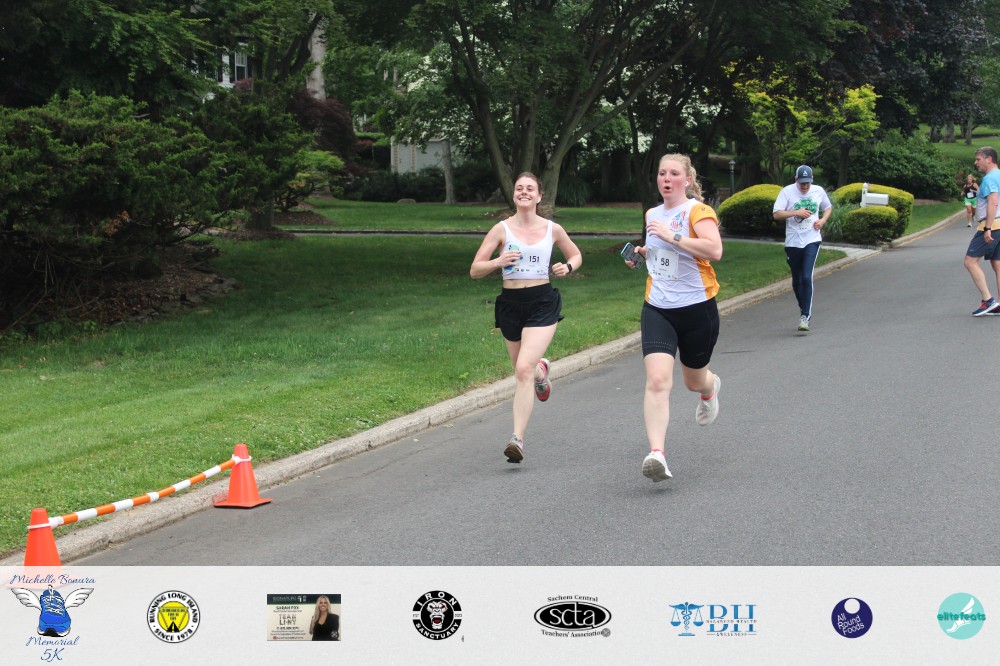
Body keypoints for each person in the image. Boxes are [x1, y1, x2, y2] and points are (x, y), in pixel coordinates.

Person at [470, 172, 583, 463]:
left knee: (522, 369)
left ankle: (516, 440)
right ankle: (541, 373)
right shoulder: (501, 230)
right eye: (519, 188)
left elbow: (576, 255)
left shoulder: (552, 229)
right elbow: (475, 269)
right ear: (514, 195)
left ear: (539, 196)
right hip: (510, 305)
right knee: (525, 369)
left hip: (542, 302)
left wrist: (567, 267)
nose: (524, 192)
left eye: (530, 189)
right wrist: (498, 261)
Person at [623, 154, 723, 482]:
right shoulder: (652, 214)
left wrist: (672, 236)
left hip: (697, 309)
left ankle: (709, 388)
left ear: (687, 180)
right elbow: (661, 254)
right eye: (662, 173)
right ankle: (657, 454)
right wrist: (643, 255)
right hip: (658, 308)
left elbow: (714, 250)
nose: (667, 178)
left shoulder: (698, 211)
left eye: (674, 173)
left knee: (693, 381)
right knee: (657, 380)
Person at [772, 165, 833, 332]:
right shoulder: (787, 192)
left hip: (812, 239)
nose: (805, 186)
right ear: (796, 180)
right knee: (797, 280)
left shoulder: (818, 191)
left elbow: (828, 207)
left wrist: (822, 221)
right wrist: (796, 212)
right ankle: (803, 307)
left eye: (807, 183)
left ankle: (805, 315)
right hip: (793, 242)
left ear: (812, 180)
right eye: (802, 183)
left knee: (806, 277)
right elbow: (776, 214)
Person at [965, 147, 1000, 316]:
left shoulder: (990, 178)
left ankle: (988, 301)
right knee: (998, 264)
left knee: (970, 262)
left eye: (978, 159)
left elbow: (993, 202)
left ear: (989, 159)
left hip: (991, 225)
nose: (976, 162)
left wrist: (987, 228)